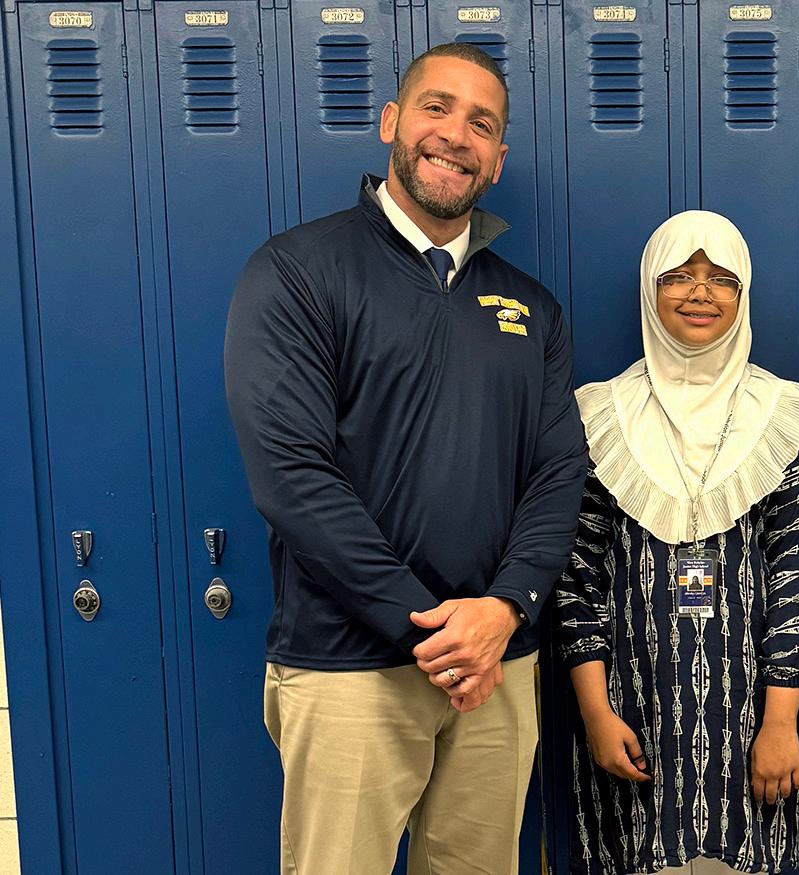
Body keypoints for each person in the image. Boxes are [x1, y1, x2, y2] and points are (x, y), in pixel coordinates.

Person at [224, 43, 587, 875]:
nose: (456, 134)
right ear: (392, 121)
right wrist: (427, 629)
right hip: (351, 664)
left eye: (481, 124)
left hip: (497, 662)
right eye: (436, 107)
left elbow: (557, 474)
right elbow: (291, 475)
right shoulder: (297, 271)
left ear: (498, 159)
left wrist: (504, 609)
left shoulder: (532, 307)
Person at [555, 211, 799, 874]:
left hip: (754, 718)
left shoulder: (786, 416)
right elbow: (575, 578)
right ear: (650, 287)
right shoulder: (598, 413)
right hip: (629, 716)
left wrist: (781, 724)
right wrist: (595, 713)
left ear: (743, 293)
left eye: (722, 278)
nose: (700, 292)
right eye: (678, 275)